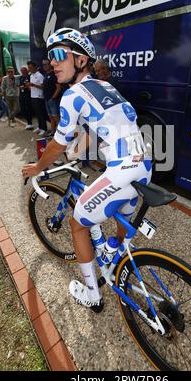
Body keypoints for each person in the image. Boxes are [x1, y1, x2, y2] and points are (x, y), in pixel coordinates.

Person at [22, 28, 151, 311]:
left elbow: (57, 143)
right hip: (144, 166)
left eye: (58, 55)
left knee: (77, 224)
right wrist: (78, 149)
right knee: (119, 226)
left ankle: (93, 293)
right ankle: (113, 251)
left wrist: (37, 167)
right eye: (49, 57)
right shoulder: (105, 87)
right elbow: (100, 126)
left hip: (123, 170)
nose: (52, 63)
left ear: (81, 60)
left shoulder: (72, 95)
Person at [27, 60, 47, 136]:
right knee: (37, 113)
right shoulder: (31, 75)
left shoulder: (39, 75)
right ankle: (40, 127)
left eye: (31, 67)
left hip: (39, 97)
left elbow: (43, 87)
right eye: (28, 67)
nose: (29, 69)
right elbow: (32, 87)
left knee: (41, 113)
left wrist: (34, 85)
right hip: (33, 96)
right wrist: (29, 86)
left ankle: (44, 129)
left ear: (35, 67)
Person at [42, 58, 62, 135]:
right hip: (47, 100)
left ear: (50, 64)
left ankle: (59, 135)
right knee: (51, 118)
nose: (44, 66)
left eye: (46, 64)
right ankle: (53, 133)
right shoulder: (46, 75)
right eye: (43, 65)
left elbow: (58, 87)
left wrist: (53, 98)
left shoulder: (54, 74)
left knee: (57, 118)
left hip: (54, 100)